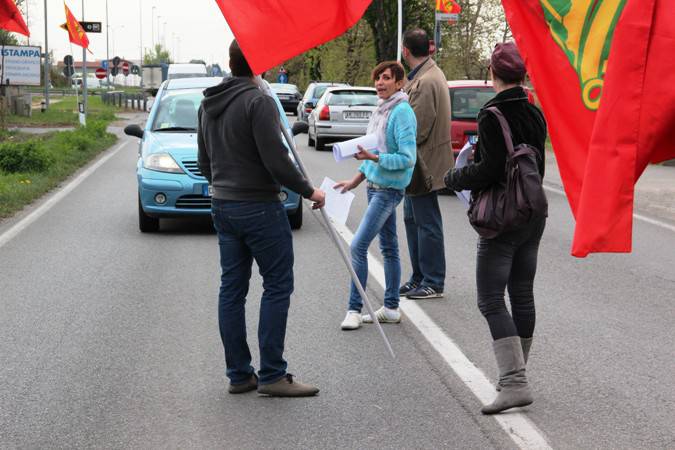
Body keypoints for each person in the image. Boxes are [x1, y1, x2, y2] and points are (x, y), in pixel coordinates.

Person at [197, 40, 326, 397]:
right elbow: (276, 160)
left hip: (222, 204)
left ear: (230, 62)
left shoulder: (208, 103)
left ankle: (239, 375)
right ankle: (271, 374)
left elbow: (205, 162)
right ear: (260, 63)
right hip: (259, 206)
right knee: (277, 285)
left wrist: (225, 185)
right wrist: (308, 191)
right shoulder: (260, 101)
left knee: (232, 290)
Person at [444, 42, 547, 414]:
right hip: (533, 213)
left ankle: (514, 382)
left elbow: (489, 170)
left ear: (493, 73)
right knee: (521, 293)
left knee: (490, 298)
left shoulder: (492, 114)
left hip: (502, 217)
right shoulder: (535, 111)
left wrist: (455, 176)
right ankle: (517, 373)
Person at [335, 61, 417, 330]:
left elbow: (407, 158)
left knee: (357, 246)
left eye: (386, 78)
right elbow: (371, 151)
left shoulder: (402, 112)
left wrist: (374, 157)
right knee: (389, 248)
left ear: (399, 83)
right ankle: (391, 308)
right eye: (377, 78)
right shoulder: (381, 110)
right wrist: (355, 180)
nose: (379, 83)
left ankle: (354, 309)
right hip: (374, 187)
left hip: (389, 191)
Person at [399, 28, 453, 300]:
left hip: (424, 164)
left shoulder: (426, 81)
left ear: (405, 50)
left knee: (426, 221)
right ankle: (419, 276)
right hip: (419, 164)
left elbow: (417, 129)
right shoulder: (425, 75)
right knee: (412, 219)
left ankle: (433, 280)